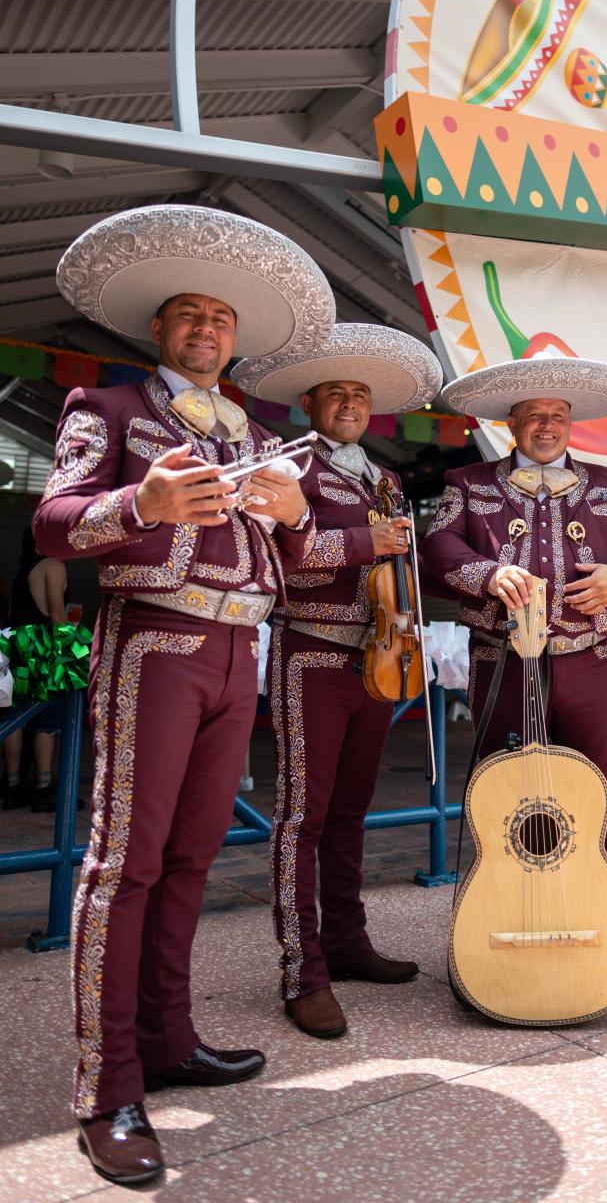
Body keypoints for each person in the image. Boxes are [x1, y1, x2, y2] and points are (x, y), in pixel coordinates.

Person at [33, 204, 334, 1187]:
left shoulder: (270, 431)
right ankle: (105, 1085)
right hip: (153, 641)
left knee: (195, 857)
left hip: (238, 646)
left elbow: (296, 551)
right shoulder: (111, 412)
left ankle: (168, 1038)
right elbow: (51, 523)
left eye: (220, 318)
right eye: (187, 316)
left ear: (234, 338)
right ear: (158, 333)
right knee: (124, 863)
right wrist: (141, 502)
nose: (206, 329)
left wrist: (293, 519)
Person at [421, 354, 607, 996]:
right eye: (533, 415)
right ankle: (489, 929)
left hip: (588, 663)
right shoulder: (468, 481)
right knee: (499, 805)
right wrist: (486, 574)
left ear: (571, 424)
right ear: (511, 423)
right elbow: (438, 545)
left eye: (558, 415)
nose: (547, 425)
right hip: (502, 664)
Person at [233, 323, 442, 1040]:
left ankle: (349, 944)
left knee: (352, 811)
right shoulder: (282, 466)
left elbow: (393, 567)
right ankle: (303, 969)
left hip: (377, 656)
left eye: (359, 394)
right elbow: (279, 561)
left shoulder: (382, 476)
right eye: (334, 393)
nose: (348, 403)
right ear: (310, 403)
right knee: (303, 816)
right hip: (311, 652)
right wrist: (366, 542)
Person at [2, 529, 69, 810]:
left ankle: (13, 784)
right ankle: (43, 787)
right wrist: (71, 652)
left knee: (16, 716)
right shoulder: (53, 565)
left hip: (15, 641)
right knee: (47, 720)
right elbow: (56, 614)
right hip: (42, 644)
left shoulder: (23, 570)